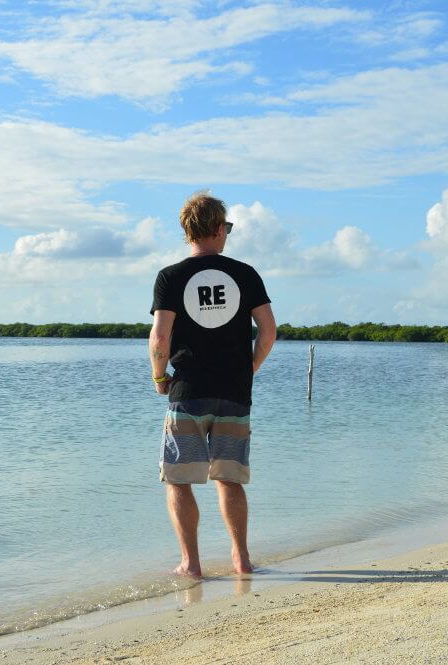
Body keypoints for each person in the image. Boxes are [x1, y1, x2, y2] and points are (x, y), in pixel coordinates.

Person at [148, 192, 276, 579]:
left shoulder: (170, 277)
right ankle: (241, 560)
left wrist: (158, 377)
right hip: (234, 393)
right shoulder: (246, 273)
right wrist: (250, 368)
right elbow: (268, 331)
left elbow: (159, 339)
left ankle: (192, 564)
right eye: (228, 229)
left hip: (188, 391)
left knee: (179, 479)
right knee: (230, 478)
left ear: (188, 232)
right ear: (219, 229)